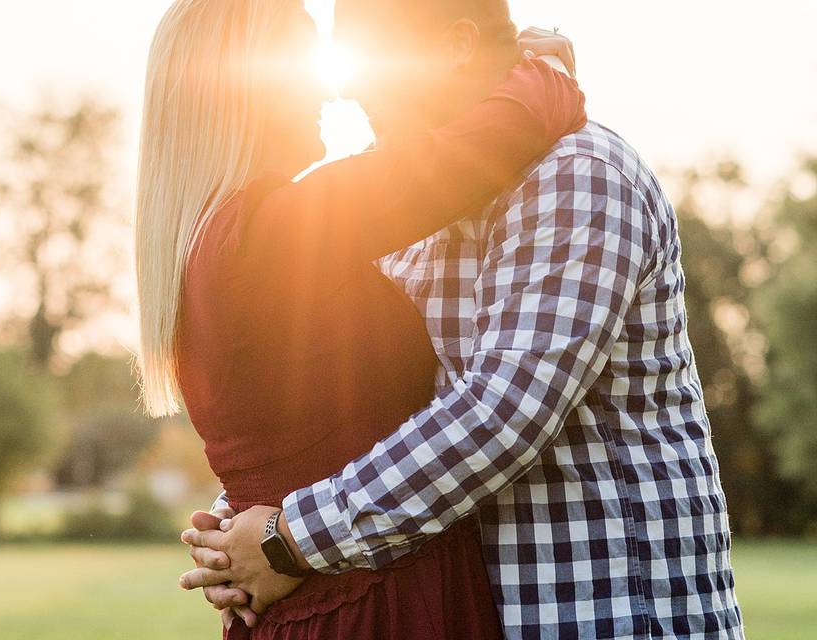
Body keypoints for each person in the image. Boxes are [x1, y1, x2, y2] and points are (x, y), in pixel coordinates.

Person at [180, 1, 746, 638]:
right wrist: (244, 521)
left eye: (374, 61)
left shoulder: (576, 177)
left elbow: (502, 414)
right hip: (472, 609)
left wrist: (290, 538)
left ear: (454, 46)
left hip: (607, 607)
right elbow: (359, 401)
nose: (346, 87)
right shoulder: (399, 200)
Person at [132, 1, 585, 638]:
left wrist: (246, 532)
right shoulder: (270, 233)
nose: (329, 88)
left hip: (320, 596)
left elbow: (296, 438)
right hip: (375, 603)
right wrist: (533, 68)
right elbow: (477, 150)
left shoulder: (214, 241)